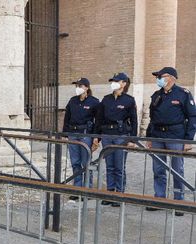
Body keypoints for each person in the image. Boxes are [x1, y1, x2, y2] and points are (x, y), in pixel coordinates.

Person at [145, 67, 196, 214]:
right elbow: (152, 118)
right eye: (158, 76)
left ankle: (178, 202)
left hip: (175, 136)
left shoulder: (183, 94)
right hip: (157, 136)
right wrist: (149, 137)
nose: (158, 78)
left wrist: (188, 140)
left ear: (172, 78)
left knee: (177, 170)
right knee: (158, 169)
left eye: (161, 76)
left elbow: (192, 117)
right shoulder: (156, 95)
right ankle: (159, 199)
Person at [94, 72, 138, 206]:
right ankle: (109, 193)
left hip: (121, 136)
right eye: (112, 81)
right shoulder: (106, 99)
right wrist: (97, 137)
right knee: (109, 166)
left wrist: (132, 140)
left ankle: (119, 194)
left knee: (119, 167)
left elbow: (134, 121)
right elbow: (99, 119)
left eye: (116, 81)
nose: (113, 83)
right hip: (107, 135)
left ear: (124, 83)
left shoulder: (129, 100)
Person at [63, 77, 99, 199]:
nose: (77, 88)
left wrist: (95, 138)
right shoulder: (72, 101)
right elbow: (66, 118)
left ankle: (87, 190)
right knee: (75, 163)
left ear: (87, 88)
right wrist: (65, 134)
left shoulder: (94, 102)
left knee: (86, 163)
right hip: (73, 134)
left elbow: (97, 121)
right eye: (76, 86)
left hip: (85, 135)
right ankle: (76, 190)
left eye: (80, 86)